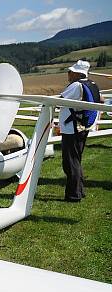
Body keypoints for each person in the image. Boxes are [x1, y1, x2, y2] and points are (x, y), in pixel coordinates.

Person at [59, 60, 102, 202]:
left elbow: (60, 100)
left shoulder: (77, 85)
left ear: (78, 73)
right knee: (76, 159)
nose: (69, 73)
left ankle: (74, 195)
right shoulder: (93, 84)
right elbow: (100, 100)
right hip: (84, 126)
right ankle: (80, 190)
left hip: (72, 128)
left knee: (70, 162)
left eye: (71, 71)